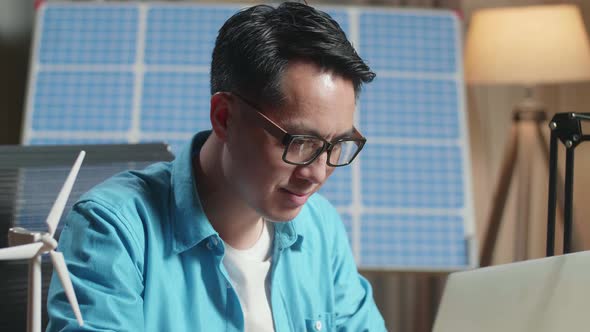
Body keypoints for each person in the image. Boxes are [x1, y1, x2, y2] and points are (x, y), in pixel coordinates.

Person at [47, 2, 386, 331]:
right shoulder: (112, 229)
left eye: (336, 145)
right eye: (299, 142)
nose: (316, 174)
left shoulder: (320, 227)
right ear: (224, 117)